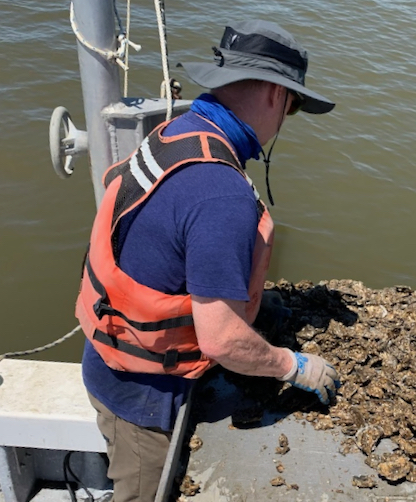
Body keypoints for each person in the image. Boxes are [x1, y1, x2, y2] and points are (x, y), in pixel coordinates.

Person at [74, 20, 340, 501]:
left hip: (109, 346)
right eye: (294, 106)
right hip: (141, 397)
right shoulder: (220, 194)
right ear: (277, 96)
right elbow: (220, 340)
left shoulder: (179, 132)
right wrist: (293, 365)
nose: (287, 118)